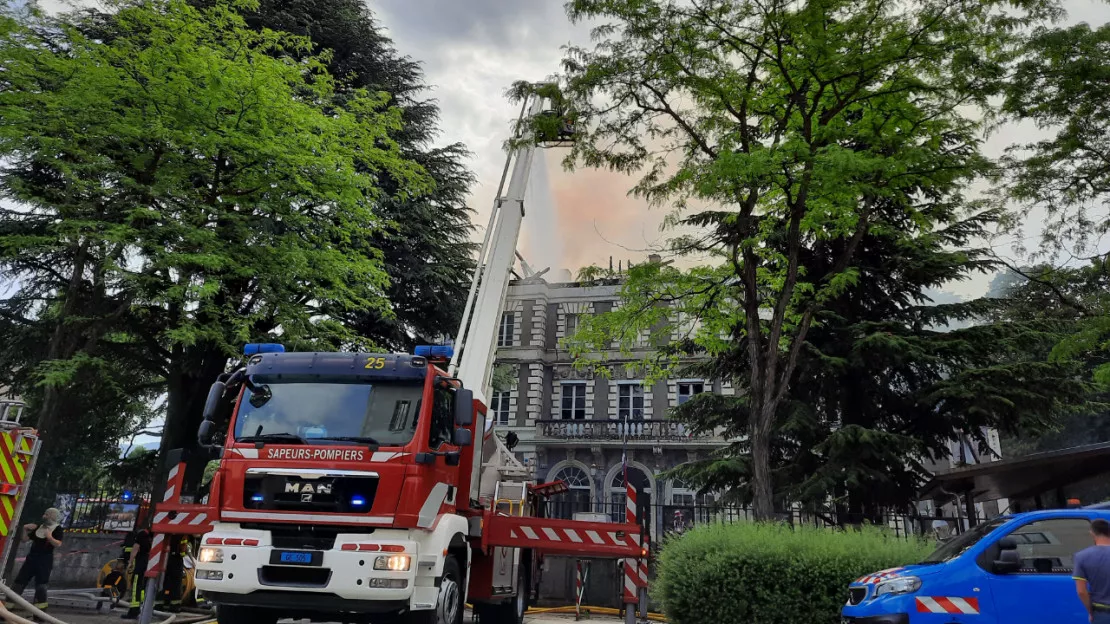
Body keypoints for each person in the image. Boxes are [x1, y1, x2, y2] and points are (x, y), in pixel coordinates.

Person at [10, 507, 64, 610]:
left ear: (52, 516)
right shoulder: (39, 527)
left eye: (47, 514)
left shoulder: (57, 529)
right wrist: (24, 529)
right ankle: (8, 607)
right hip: (31, 559)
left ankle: (40, 612)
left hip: (44, 561)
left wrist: (49, 536)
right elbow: (24, 539)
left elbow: (58, 543)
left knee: (41, 585)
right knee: (19, 582)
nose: (44, 516)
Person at [1074, 518, 1110, 623]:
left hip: (1102, 613)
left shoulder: (1081, 556)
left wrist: (1090, 611)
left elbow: (1081, 591)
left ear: (1092, 533)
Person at [123, 529, 152, 619]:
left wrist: (130, 562)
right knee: (143, 587)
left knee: (136, 585)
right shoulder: (152, 536)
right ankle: (142, 608)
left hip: (141, 563)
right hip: (149, 563)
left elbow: (136, 548)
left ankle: (133, 611)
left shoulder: (141, 534)